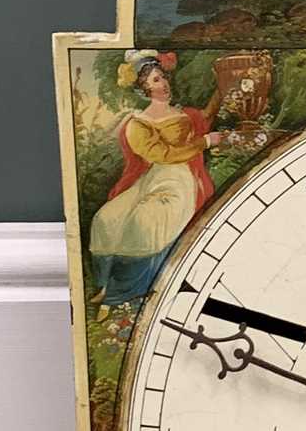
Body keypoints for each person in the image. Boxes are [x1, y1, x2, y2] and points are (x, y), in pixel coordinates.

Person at [88, 50, 221, 314]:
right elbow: (163, 155)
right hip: (154, 176)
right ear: (144, 87)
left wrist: (222, 85)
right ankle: (104, 286)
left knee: (144, 220)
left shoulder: (185, 114)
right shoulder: (138, 124)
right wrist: (204, 142)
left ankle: (121, 294)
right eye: (157, 80)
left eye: (163, 77)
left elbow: (207, 115)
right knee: (107, 218)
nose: (164, 83)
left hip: (182, 178)